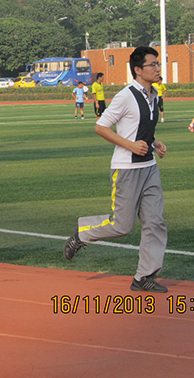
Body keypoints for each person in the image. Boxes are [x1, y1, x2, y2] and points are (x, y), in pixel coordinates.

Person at [64, 46, 169, 293]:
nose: (157, 68)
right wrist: (130, 145)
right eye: (152, 64)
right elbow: (101, 126)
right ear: (138, 70)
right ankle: (82, 233)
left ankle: (145, 277)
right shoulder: (126, 95)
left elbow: (141, 128)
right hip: (126, 169)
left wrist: (155, 142)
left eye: (157, 64)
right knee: (122, 226)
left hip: (150, 168)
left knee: (155, 223)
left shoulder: (153, 94)